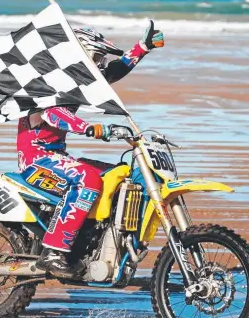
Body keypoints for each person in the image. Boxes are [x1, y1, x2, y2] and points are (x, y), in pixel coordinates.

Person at [17, 21, 164, 278]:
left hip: (58, 157)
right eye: (95, 57)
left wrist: (143, 47)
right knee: (89, 180)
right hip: (37, 162)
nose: (99, 64)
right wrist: (90, 128)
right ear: (78, 53)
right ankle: (53, 251)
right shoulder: (48, 80)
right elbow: (54, 114)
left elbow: (113, 74)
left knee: (122, 177)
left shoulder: (75, 80)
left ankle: (97, 243)